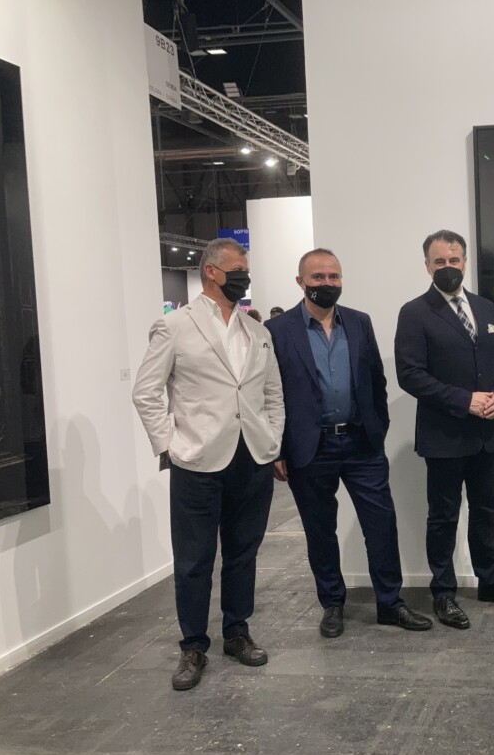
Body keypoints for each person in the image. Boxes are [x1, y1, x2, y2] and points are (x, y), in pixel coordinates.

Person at [133, 237, 284, 691]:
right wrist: (171, 445)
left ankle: (236, 633)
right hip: (197, 461)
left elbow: (272, 394)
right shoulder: (175, 326)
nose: (246, 275)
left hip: (251, 457)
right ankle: (193, 646)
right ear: (212, 272)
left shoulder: (257, 331)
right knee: (194, 559)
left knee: (243, 553)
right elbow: (146, 391)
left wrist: (272, 438)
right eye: (238, 268)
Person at [265, 248, 432, 636]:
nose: (327, 284)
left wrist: (378, 427)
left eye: (334, 277)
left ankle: (390, 603)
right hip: (309, 448)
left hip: (361, 444)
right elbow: (268, 394)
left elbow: (376, 380)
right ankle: (333, 604)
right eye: (318, 277)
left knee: (382, 524)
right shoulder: (277, 331)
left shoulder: (359, 323)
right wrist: (277, 449)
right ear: (300, 281)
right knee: (320, 531)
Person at [394, 229, 494, 629]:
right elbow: (410, 375)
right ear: (427, 265)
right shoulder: (415, 312)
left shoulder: (487, 309)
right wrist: (465, 400)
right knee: (443, 518)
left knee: (486, 510)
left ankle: (490, 580)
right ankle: (443, 593)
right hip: (444, 436)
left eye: (454, 260)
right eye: (439, 261)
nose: (448, 267)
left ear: (465, 261)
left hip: (487, 435)